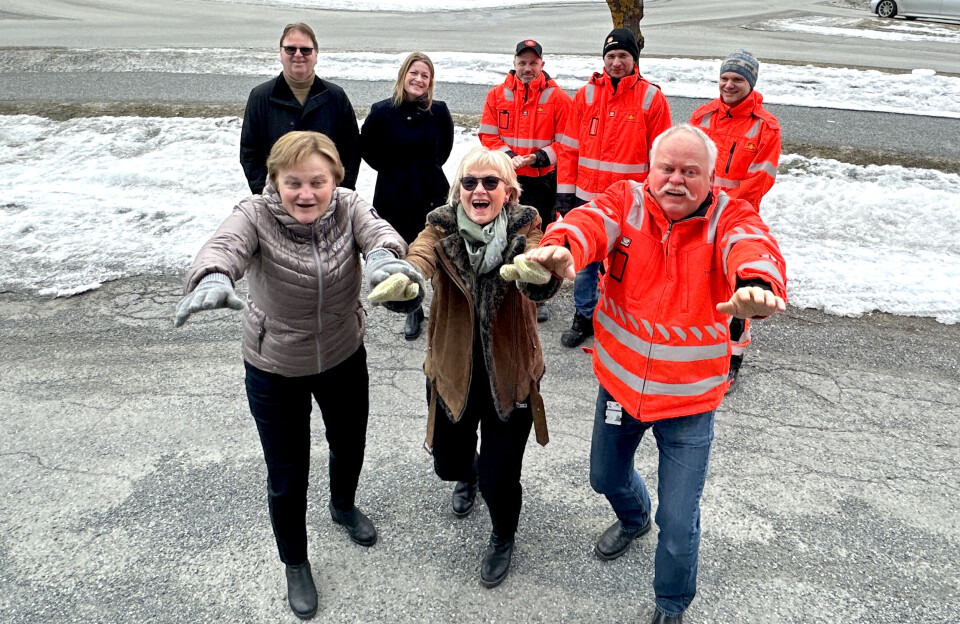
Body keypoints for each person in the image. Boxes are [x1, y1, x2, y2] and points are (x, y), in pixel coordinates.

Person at [526, 124, 787, 624]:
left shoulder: (728, 216)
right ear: (651, 170)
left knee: (678, 520)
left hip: (689, 401)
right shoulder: (626, 200)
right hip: (622, 386)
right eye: (667, 168)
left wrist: (757, 282)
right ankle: (632, 518)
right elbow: (587, 222)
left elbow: (752, 244)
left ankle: (671, 604)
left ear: (712, 179)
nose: (676, 181)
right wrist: (562, 246)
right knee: (604, 476)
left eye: (691, 172)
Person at [175, 131, 418, 620]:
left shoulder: (349, 206)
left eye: (317, 181)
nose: (306, 193)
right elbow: (225, 244)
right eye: (294, 183)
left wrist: (387, 261)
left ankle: (343, 505)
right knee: (288, 473)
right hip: (274, 365)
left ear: (335, 180)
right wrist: (216, 275)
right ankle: (295, 561)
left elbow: (381, 235)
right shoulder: (255, 214)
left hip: (343, 354)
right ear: (275, 182)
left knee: (350, 442)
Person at [369, 146, 556, 589]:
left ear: (508, 192)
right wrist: (406, 280)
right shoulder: (440, 227)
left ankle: (502, 535)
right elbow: (420, 256)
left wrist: (537, 272)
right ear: (458, 191)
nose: (479, 189)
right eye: (470, 182)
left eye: (491, 182)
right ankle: (467, 474)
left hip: (510, 376)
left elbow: (542, 258)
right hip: (453, 370)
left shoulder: (526, 226)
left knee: (500, 479)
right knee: (448, 465)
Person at [555, 28, 672, 347]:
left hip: (632, 203)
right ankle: (584, 316)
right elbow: (568, 148)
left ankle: (625, 321)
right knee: (584, 264)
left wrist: (659, 198)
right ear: (603, 59)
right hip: (587, 200)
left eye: (623, 56)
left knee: (629, 266)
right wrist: (565, 194)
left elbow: (662, 156)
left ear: (634, 60)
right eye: (611, 56)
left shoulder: (651, 97)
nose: (616, 62)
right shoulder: (585, 96)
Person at [690, 49, 782, 388]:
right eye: (725, 78)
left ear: (751, 83)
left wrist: (721, 208)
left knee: (735, 286)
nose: (729, 85)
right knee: (700, 284)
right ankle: (700, 349)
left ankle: (732, 357)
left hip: (735, 220)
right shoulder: (702, 116)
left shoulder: (765, 127)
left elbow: (760, 179)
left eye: (737, 80)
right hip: (697, 216)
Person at [361, 51, 454, 340]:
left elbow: (445, 150)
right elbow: (368, 150)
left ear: (431, 81)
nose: (419, 79)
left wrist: (423, 169)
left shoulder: (439, 111)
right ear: (404, 75)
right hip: (394, 193)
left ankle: (446, 308)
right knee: (402, 252)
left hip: (431, 191)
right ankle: (412, 308)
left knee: (438, 251)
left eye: (425, 75)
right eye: (414, 73)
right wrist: (395, 170)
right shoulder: (381, 111)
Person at [479, 39, 572, 322]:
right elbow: (487, 134)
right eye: (523, 63)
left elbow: (566, 144)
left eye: (533, 63)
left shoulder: (559, 99)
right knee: (505, 233)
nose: (528, 68)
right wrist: (510, 156)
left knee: (541, 238)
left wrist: (536, 158)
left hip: (543, 182)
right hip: (506, 180)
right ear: (514, 63)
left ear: (542, 64)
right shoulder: (496, 95)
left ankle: (539, 290)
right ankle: (507, 285)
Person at [240, 22, 361, 195]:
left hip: (326, 199)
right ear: (281, 54)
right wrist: (266, 194)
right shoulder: (261, 96)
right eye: (290, 49)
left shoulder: (336, 96)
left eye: (305, 50)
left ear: (316, 55)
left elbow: (352, 150)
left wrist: (340, 191)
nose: (298, 55)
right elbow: (249, 151)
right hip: (277, 200)